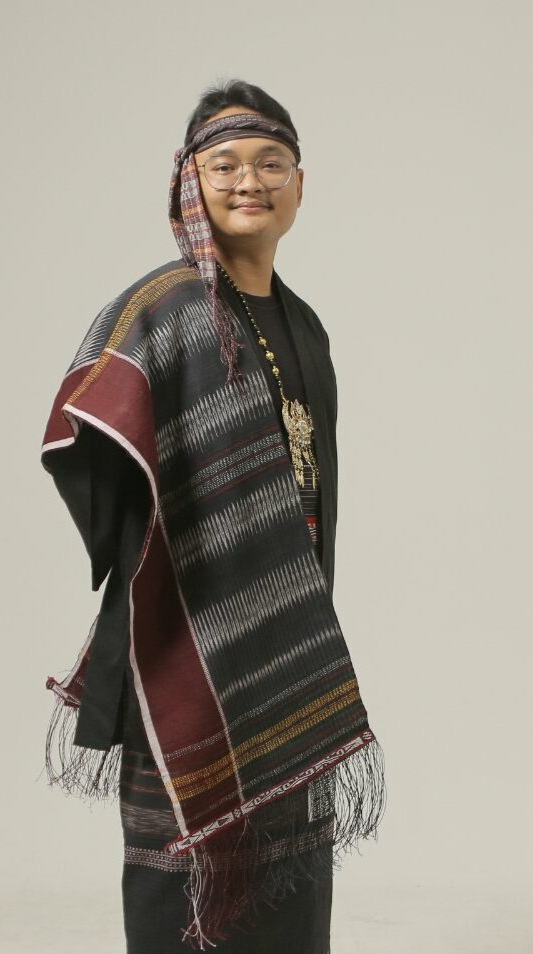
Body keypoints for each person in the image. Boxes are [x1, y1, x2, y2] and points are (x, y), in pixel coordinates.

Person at [40, 79, 386, 953]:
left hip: (288, 646)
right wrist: (158, 544)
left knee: (290, 900)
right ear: (188, 183)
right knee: (184, 892)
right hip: (182, 644)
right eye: (224, 164)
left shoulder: (305, 326)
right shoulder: (166, 308)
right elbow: (84, 426)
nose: (249, 182)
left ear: (300, 186)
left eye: (271, 163)